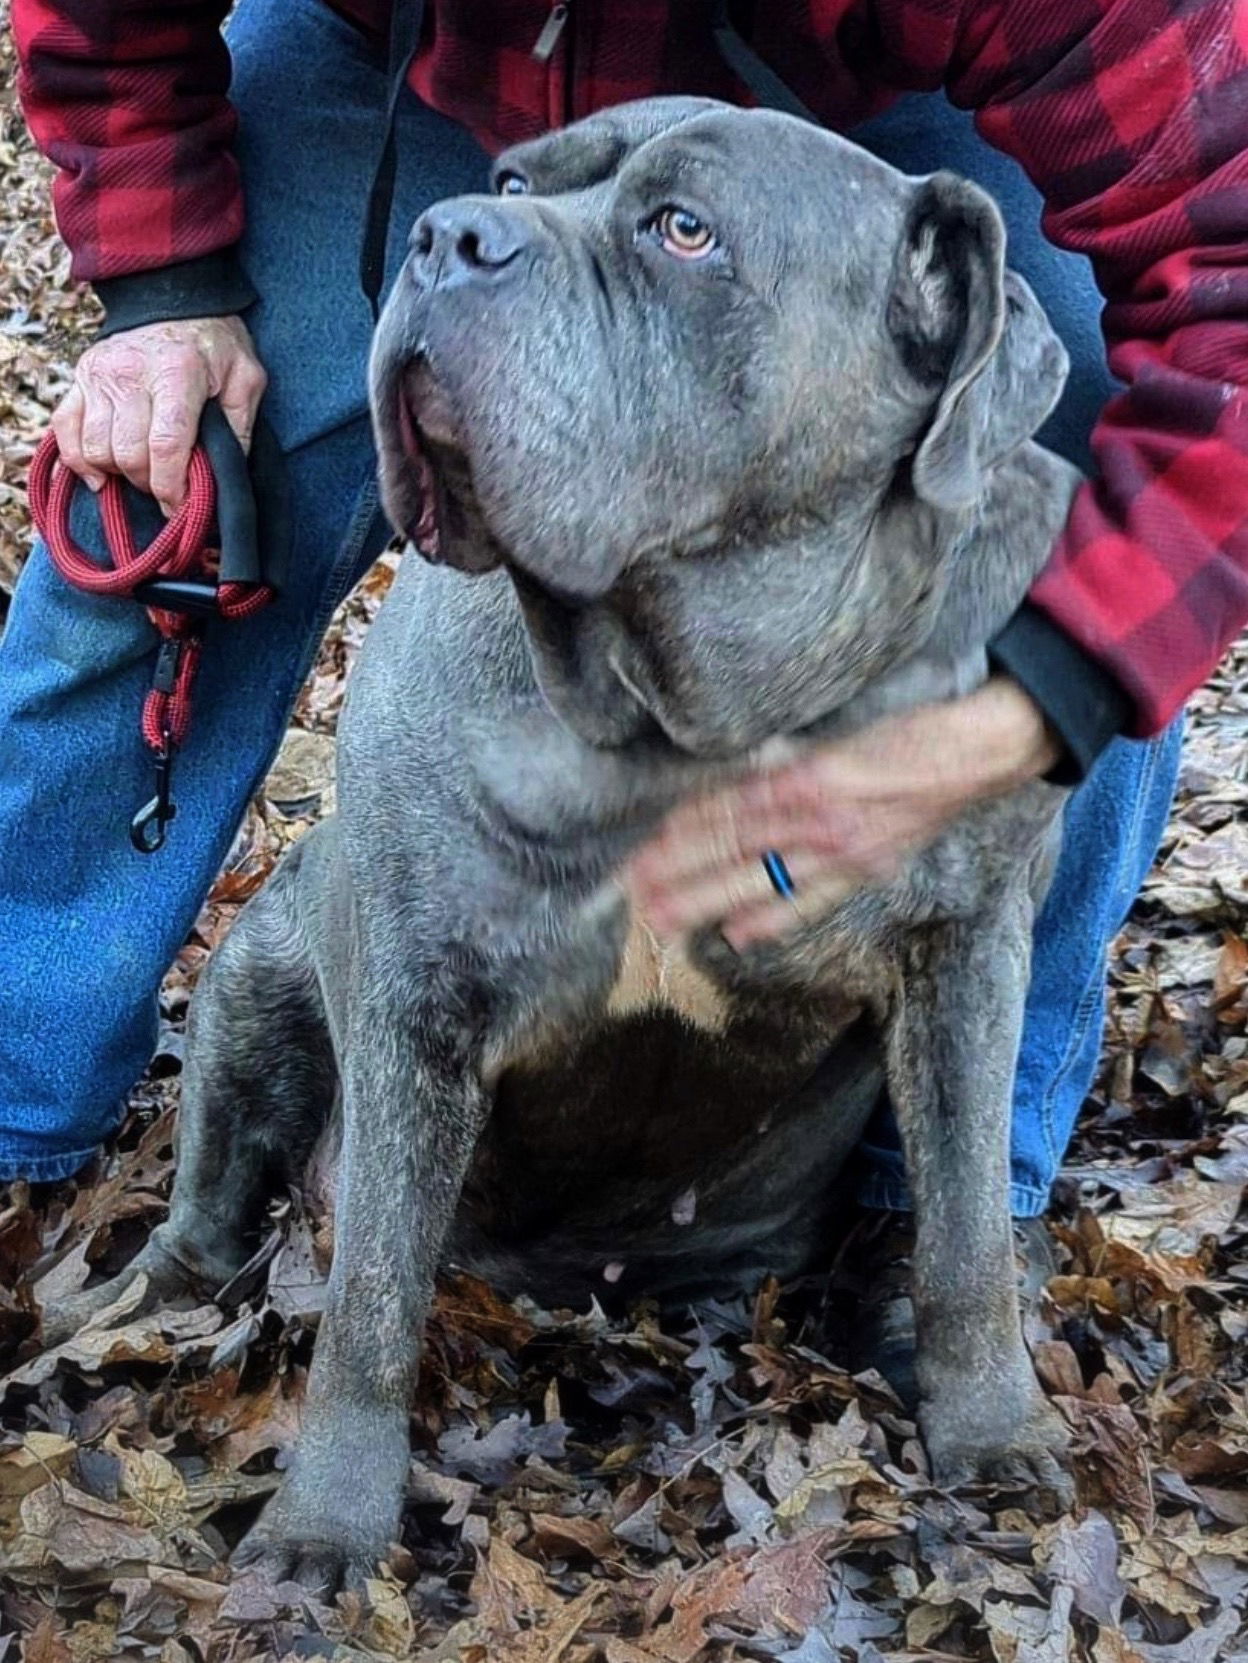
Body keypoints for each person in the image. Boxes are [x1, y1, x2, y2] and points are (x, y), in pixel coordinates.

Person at [4, 7, 1241, 1315]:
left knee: (1090, 456)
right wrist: (163, 291)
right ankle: (22, 1116)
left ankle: (945, 1208)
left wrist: (1029, 706)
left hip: (870, 116)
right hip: (396, 78)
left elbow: (1233, 290)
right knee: (162, 473)